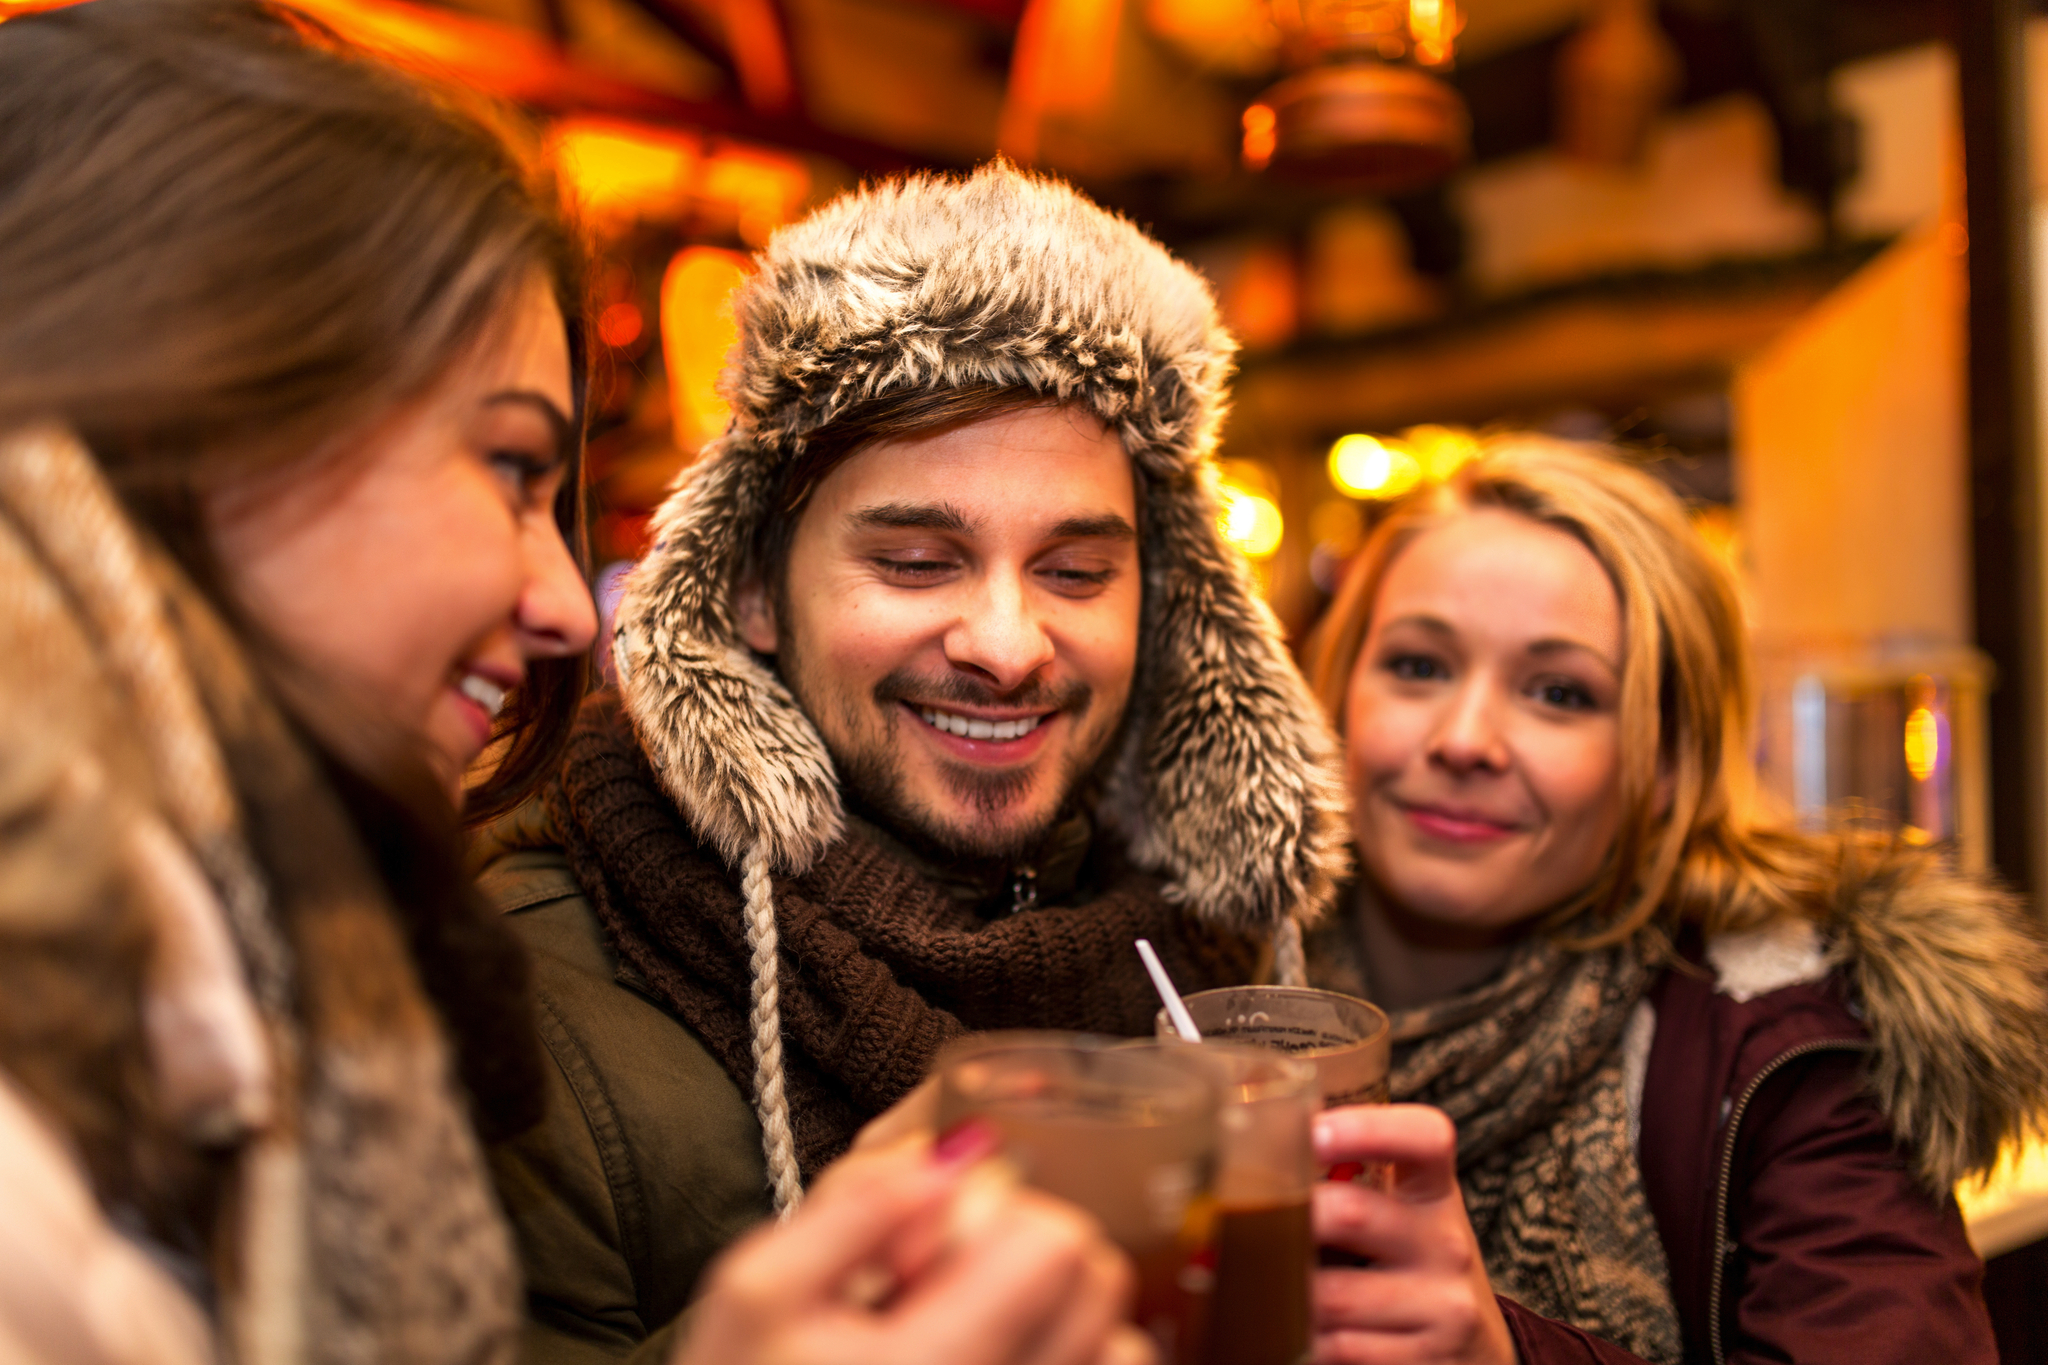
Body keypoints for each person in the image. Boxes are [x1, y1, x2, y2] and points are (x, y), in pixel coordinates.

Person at [0, 5, 1151, 1365]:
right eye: (504, 469)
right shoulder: (492, 983)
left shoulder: (276, 982)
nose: (561, 605)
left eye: (1080, 572)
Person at [476, 159, 1354, 1358]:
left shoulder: (1216, 960)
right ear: (749, 593)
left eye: (1075, 571)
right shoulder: (516, 1002)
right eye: (914, 562)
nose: (1005, 646)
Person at [1294, 436, 2048, 1365]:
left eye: (1559, 692)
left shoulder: (1784, 1043)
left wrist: (1508, 1355)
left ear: (1663, 765)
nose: (1464, 739)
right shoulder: (1208, 970)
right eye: (1418, 667)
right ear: (1334, 694)